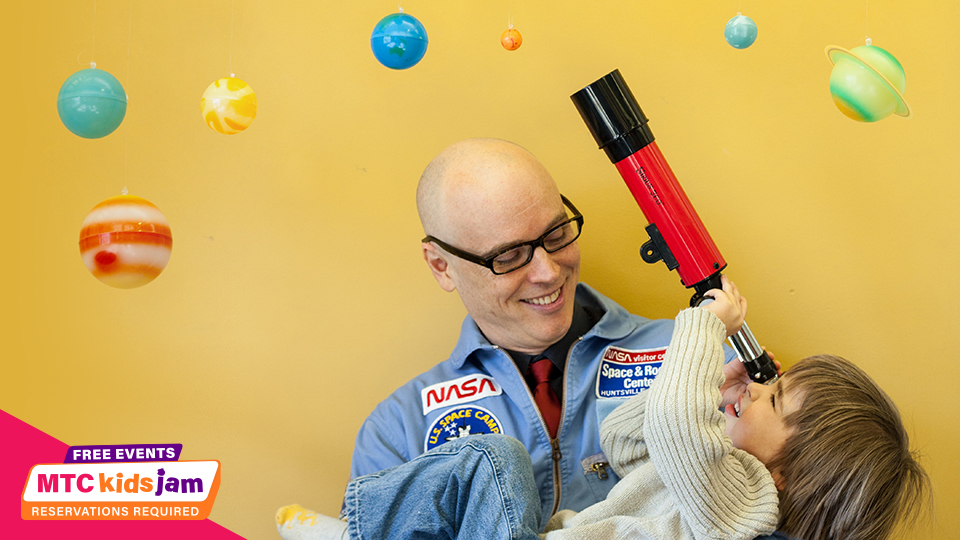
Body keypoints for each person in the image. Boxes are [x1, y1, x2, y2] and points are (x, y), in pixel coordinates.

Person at [276, 277, 929, 540]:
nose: (755, 388)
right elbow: (623, 438)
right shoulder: (713, 476)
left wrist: (707, 326)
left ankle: (356, 533)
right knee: (490, 460)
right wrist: (714, 392)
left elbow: (676, 427)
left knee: (493, 458)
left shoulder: (741, 506)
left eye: (772, 398)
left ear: (787, 475)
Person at [346, 137, 739, 524]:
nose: (548, 272)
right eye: (509, 256)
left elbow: (772, 512)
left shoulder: (699, 355)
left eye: (556, 235)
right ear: (441, 266)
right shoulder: (398, 433)